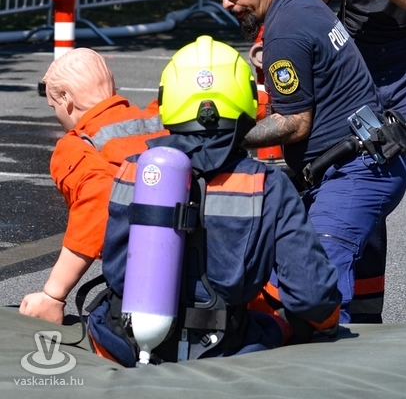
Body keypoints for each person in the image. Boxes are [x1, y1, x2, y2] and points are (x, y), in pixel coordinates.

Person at [87, 35, 341, 366]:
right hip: (223, 352)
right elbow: (311, 293)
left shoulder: (134, 171)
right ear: (247, 98)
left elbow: (115, 265)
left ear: (166, 100)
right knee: (278, 326)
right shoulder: (267, 185)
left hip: (124, 344)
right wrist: (327, 322)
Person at [210, 0, 406, 323]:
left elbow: (295, 124)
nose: (227, 3)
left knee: (320, 288)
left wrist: (229, 136)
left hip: (356, 171)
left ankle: (331, 357)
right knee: (298, 273)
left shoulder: (286, 28)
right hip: (361, 159)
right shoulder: (302, 3)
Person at [297, 0, 406, 320]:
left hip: (403, 65)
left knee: (376, 181)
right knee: (356, 183)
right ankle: (363, 314)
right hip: (354, 68)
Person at [19, 48, 167, 324]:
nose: (57, 116)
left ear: (66, 99)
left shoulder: (76, 146)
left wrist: (53, 295)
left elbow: (99, 201)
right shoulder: (158, 117)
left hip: (146, 281)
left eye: (54, 107)